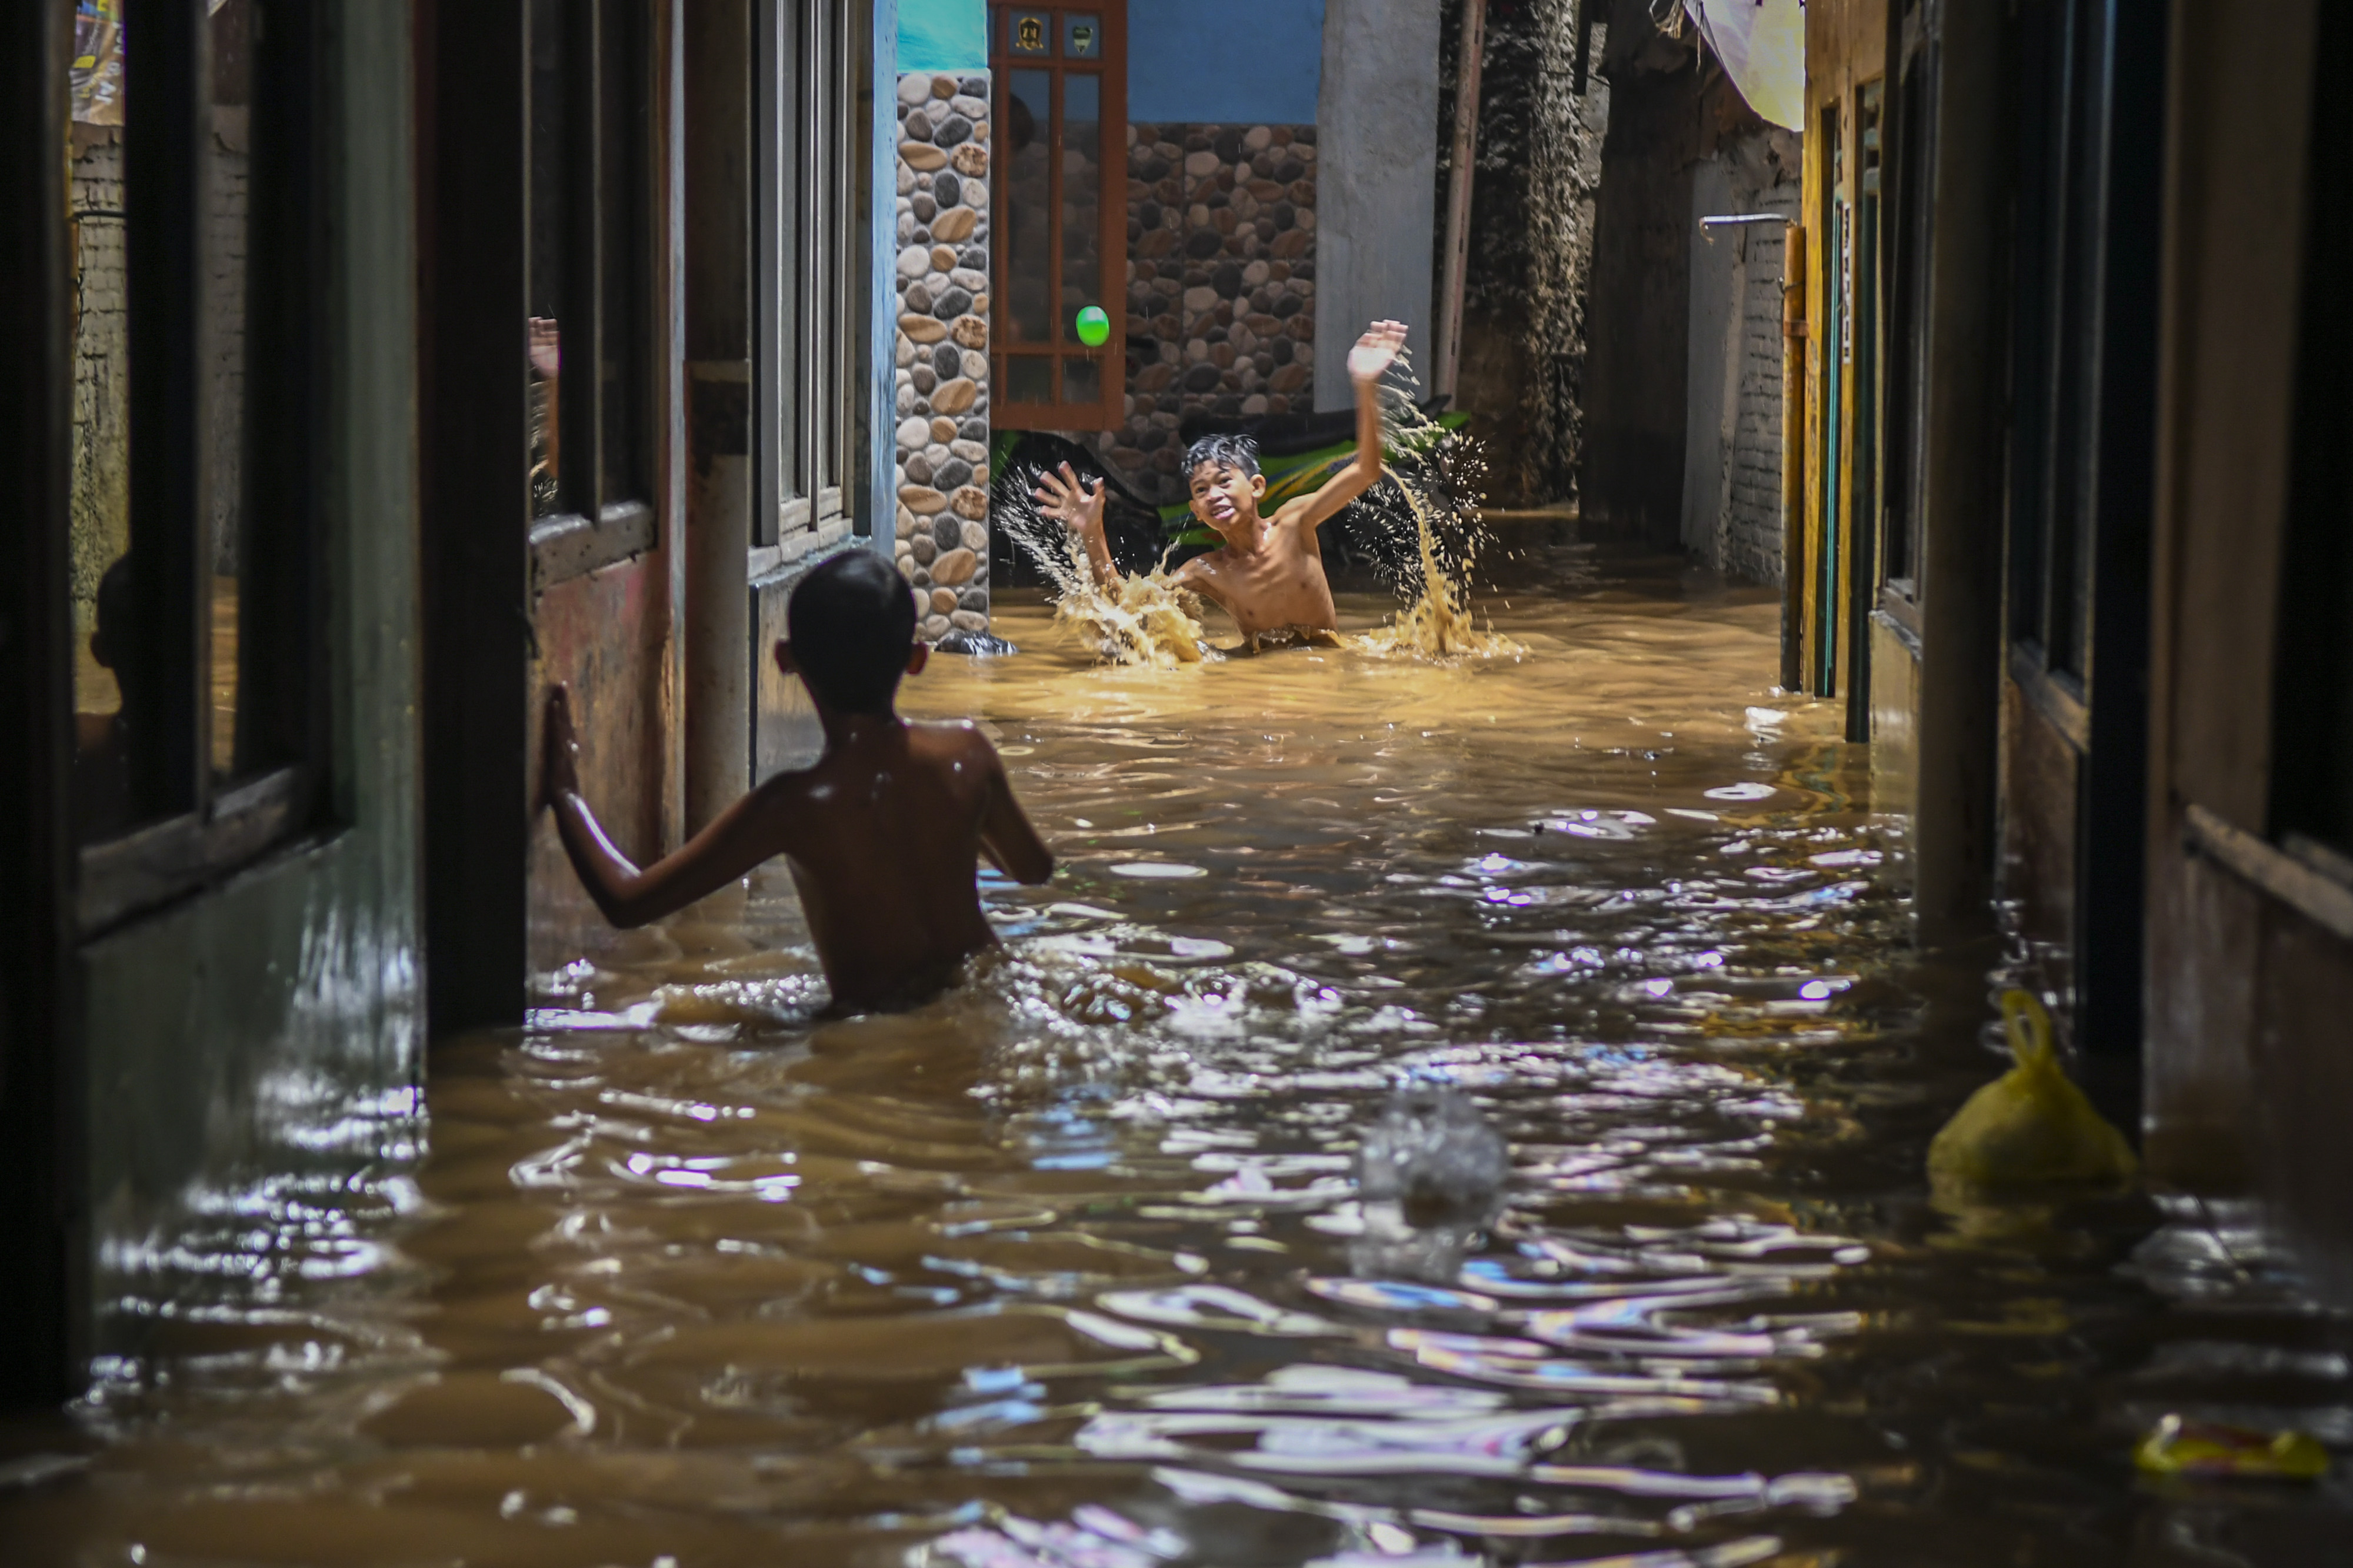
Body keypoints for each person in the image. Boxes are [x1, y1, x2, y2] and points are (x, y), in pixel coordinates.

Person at [541, 550, 1055, 1013]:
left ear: (785, 660)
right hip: (993, 1000)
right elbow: (1034, 869)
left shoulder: (792, 807)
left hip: (871, 1030)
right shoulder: (967, 756)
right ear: (917, 660)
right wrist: (962, 821)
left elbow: (627, 901)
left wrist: (565, 795)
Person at [1031, 318, 1410, 650]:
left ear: (1257, 486)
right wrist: (1093, 533)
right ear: (1196, 511)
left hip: (1325, 667)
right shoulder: (1206, 571)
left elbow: (1366, 471)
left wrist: (1365, 386)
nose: (1214, 495)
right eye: (1201, 491)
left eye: (1225, 481)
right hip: (1260, 680)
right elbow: (1127, 609)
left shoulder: (1295, 524)